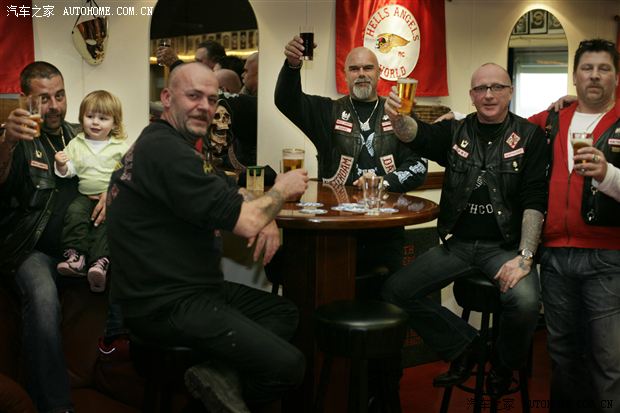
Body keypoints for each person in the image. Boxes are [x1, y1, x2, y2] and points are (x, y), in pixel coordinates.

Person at [106, 62, 308, 412]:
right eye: (194, 96)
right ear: (167, 98)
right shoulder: (168, 151)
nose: (205, 107)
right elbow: (246, 223)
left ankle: (217, 377)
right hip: (165, 304)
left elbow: (229, 189)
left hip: (190, 289)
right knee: (290, 366)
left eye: (212, 99)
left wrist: (264, 214)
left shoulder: (173, 144)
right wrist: (280, 192)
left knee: (283, 312)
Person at [381, 63, 548, 398]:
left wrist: (525, 257)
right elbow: (419, 136)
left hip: (504, 248)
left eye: (497, 87)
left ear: (510, 92)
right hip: (457, 245)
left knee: (527, 303)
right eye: (480, 88)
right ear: (471, 95)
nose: (489, 95)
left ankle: (503, 364)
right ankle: (466, 347)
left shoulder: (530, 136)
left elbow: (535, 200)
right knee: (395, 291)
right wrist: (398, 120)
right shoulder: (455, 131)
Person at [275, 35, 428, 276]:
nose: (361, 74)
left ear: (379, 73)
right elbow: (286, 100)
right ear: (345, 75)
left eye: (368, 68)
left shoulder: (399, 114)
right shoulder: (328, 112)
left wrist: (384, 182)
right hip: (337, 230)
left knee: (389, 293)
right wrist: (292, 66)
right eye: (354, 69)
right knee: (336, 291)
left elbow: (419, 165)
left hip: (386, 230)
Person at [528, 39, 620, 413]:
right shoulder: (552, 119)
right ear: (575, 75)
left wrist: (607, 174)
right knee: (563, 355)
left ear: (616, 77)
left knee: (608, 361)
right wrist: (454, 122)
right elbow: (502, 127)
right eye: (587, 68)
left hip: (607, 258)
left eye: (604, 68)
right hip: (555, 256)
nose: (594, 75)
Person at [0, 61, 95, 413]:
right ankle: (56, 407)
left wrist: (110, 193)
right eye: (44, 98)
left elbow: (108, 172)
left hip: (78, 247)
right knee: (42, 296)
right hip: (30, 249)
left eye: (60, 95)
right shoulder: (16, 137)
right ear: (26, 99)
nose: (54, 106)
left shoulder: (80, 133)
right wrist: (7, 142)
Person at [54, 90, 129, 293]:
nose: (95, 122)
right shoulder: (76, 144)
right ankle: (76, 257)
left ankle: (100, 263)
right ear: (81, 118)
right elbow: (69, 171)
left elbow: (129, 174)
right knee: (74, 214)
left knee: (104, 225)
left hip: (110, 198)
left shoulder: (120, 147)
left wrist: (114, 192)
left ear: (114, 123)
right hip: (84, 196)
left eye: (103, 118)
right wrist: (61, 165)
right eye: (90, 116)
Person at [156, 39, 226, 70]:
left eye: (199, 61)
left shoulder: (222, 80)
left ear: (215, 61)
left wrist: (174, 62)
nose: (195, 65)